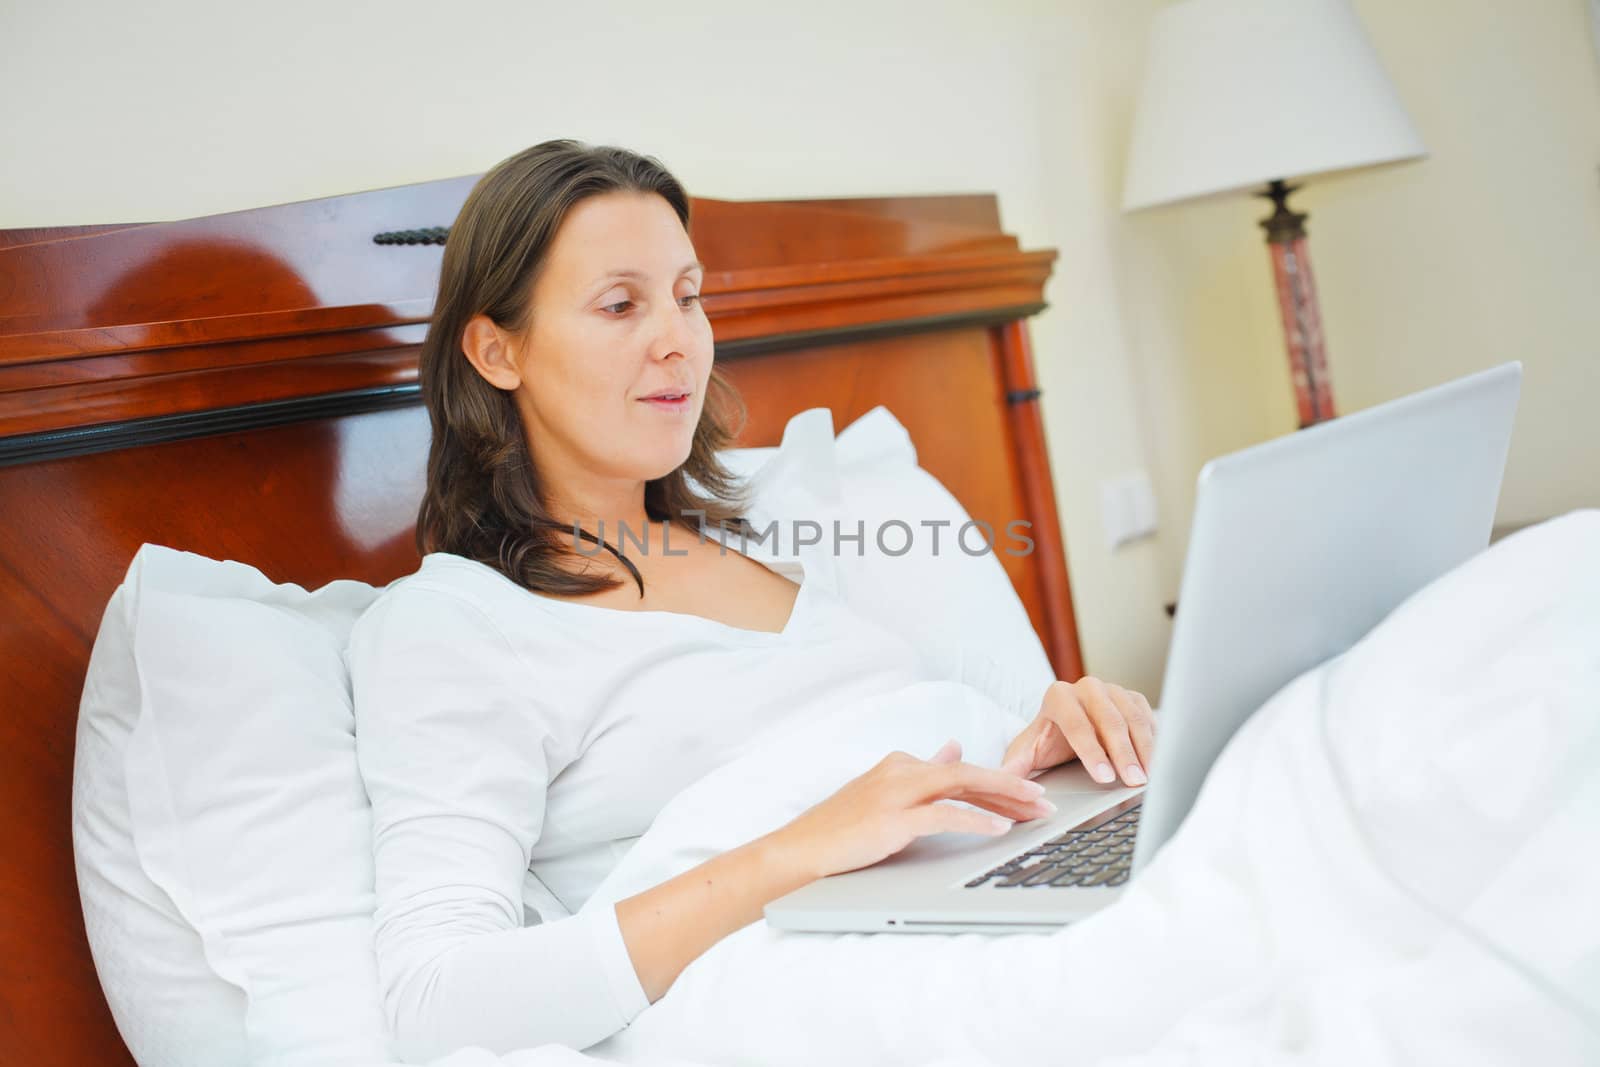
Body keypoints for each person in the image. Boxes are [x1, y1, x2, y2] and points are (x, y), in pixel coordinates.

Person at [346, 139, 1156, 1063]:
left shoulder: (774, 527)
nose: (677, 338)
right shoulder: (455, 624)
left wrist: (1050, 738)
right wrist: (803, 846)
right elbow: (435, 1000)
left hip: (988, 871)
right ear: (497, 350)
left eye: (688, 295)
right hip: (812, 971)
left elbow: (915, 746)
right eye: (620, 304)